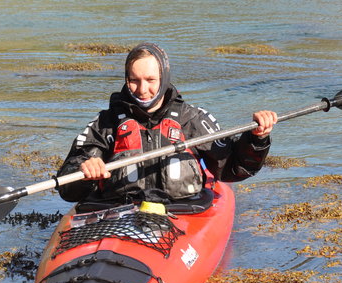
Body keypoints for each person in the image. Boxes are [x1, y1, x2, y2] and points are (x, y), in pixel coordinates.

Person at [56, 42, 277, 205]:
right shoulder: (107, 123)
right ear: (126, 79)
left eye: (151, 80)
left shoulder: (191, 119)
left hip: (182, 212)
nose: (142, 90)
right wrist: (84, 170)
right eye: (134, 81)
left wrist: (257, 138)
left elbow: (233, 169)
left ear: (164, 78)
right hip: (119, 214)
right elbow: (68, 188)